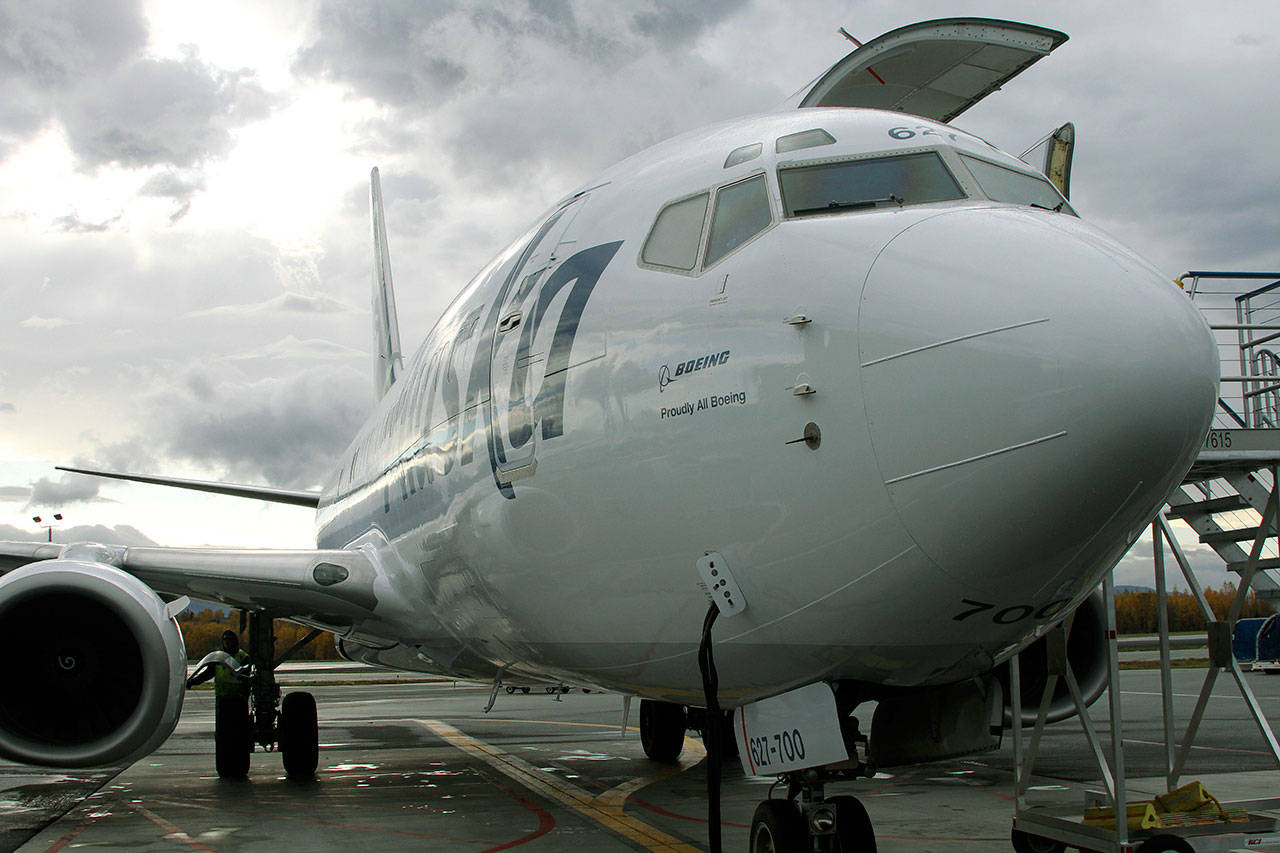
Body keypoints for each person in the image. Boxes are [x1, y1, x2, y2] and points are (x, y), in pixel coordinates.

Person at [187, 630, 251, 697]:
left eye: (229, 639)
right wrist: (192, 682)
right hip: (221, 697)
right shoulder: (219, 657)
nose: (227, 642)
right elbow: (207, 674)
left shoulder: (243, 657)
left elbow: (249, 677)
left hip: (239, 698)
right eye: (225, 639)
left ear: (234, 641)